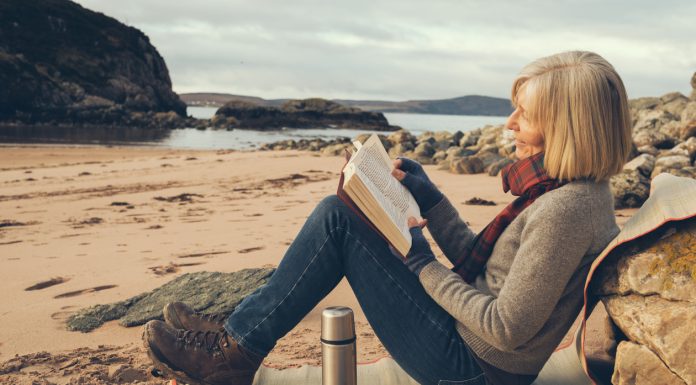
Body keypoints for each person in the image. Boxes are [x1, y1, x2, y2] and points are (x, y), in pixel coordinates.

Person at [143, 50, 632, 385]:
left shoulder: (565, 208)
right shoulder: (560, 190)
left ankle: (233, 353)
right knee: (342, 212)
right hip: (470, 343)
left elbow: (506, 327)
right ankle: (234, 342)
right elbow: (483, 269)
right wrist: (430, 198)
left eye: (523, 115)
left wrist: (421, 263)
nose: (509, 124)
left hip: (473, 369)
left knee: (338, 218)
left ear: (567, 125)